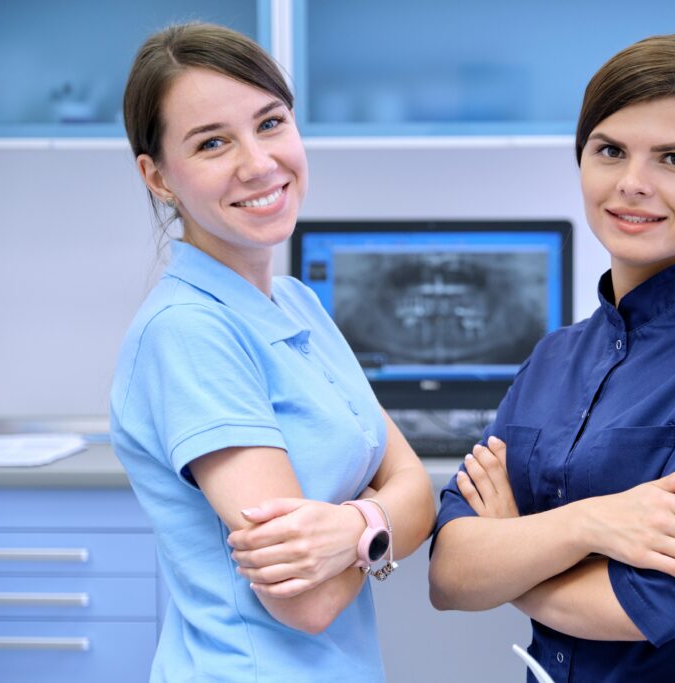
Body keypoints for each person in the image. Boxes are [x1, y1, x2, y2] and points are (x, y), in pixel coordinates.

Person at [427, 34, 675, 682]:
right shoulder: (552, 360)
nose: (632, 184)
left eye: (674, 158)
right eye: (609, 150)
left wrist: (513, 559)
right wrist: (594, 522)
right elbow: (449, 573)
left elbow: (653, 600)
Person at [109, 22, 435, 682]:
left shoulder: (295, 302)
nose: (258, 162)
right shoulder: (189, 334)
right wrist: (378, 518)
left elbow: (421, 488)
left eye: (271, 122)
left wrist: (350, 528)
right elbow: (307, 600)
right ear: (159, 176)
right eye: (211, 143)